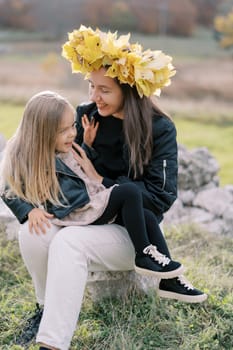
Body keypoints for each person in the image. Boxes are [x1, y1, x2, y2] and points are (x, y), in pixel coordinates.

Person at [0, 25, 207, 350]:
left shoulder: (159, 129)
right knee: (33, 232)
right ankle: (45, 311)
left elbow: (159, 199)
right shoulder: (85, 117)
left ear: (130, 90)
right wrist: (33, 207)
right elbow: (59, 166)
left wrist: (101, 180)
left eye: (104, 90)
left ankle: (52, 344)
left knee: (69, 242)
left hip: (133, 232)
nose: (93, 97)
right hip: (84, 215)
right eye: (91, 87)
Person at [1, 89, 184, 281]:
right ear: (42, 132)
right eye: (64, 130)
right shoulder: (26, 156)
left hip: (83, 204)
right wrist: (29, 211)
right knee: (129, 192)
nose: (73, 133)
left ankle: (171, 278)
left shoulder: (62, 148)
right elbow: (7, 187)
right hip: (78, 209)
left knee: (145, 215)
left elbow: (76, 167)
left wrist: (87, 144)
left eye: (72, 126)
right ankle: (143, 254)